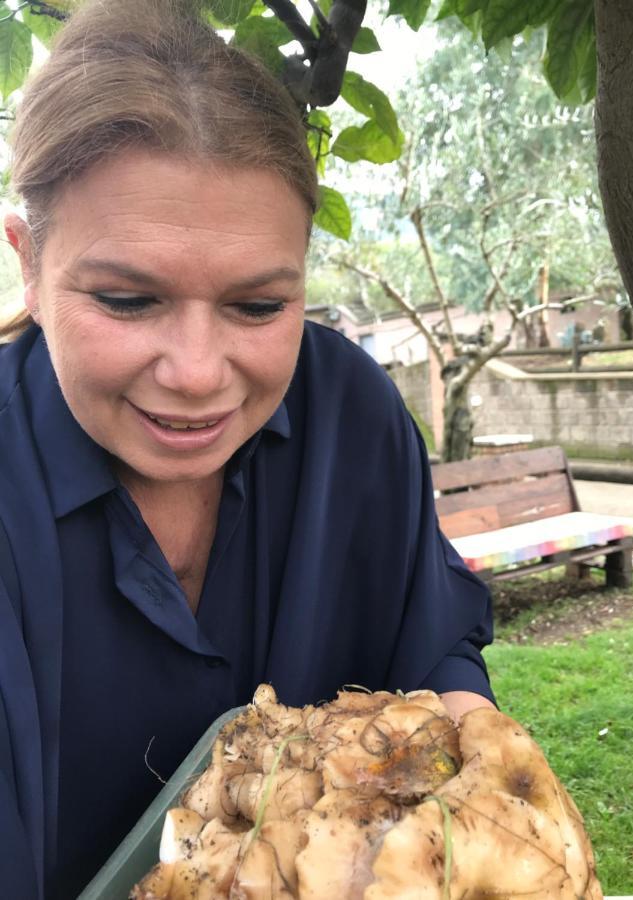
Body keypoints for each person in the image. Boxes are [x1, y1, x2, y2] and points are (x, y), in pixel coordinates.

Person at [0, 0, 495, 896]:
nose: (195, 375)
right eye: (126, 300)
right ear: (27, 264)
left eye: (258, 307)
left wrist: (486, 777)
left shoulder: (352, 412)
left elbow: (427, 646)